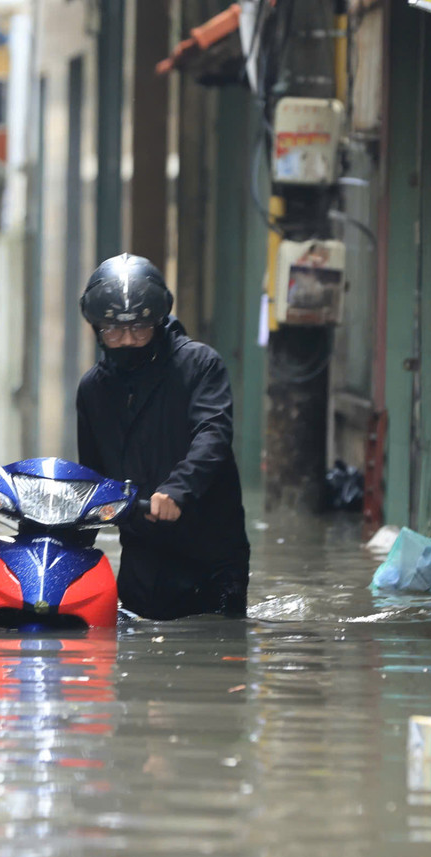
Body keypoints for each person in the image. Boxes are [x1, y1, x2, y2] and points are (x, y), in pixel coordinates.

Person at [75, 253, 251, 620]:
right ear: (97, 330)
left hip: (209, 550)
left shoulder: (199, 365)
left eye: (139, 329)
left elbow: (213, 433)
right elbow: (90, 478)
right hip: (142, 553)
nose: (127, 341)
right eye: (114, 330)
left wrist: (176, 490)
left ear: (157, 322)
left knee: (213, 651)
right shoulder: (93, 390)